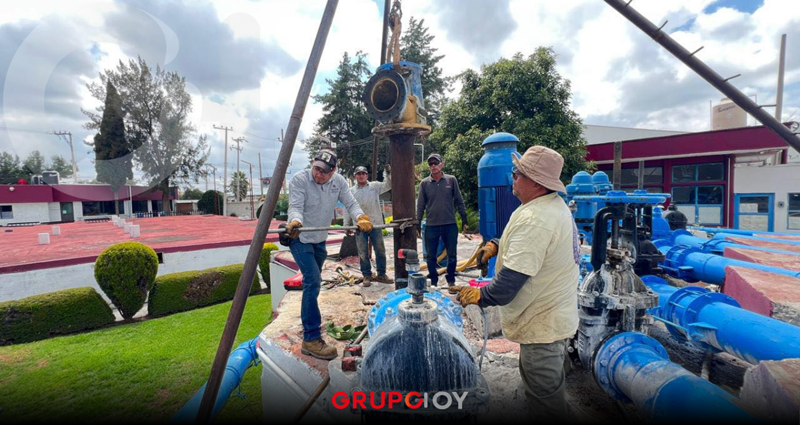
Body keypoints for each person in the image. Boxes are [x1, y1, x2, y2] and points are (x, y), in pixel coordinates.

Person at [451, 146, 580, 421]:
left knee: (546, 405)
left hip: (542, 326)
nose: (512, 177)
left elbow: (506, 287)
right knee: (544, 392)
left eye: (517, 173)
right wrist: (496, 245)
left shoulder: (537, 219)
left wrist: (478, 295)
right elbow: (530, 246)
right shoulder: (547, 206)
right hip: (550, 318)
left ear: (536, 182)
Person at [286, 149, 374, 360]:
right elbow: (295, 207)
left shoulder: (339, 182)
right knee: (313, 281)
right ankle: (311, 338)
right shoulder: (300, 180)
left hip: (319, 240)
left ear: (333, 171)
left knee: (313, 285)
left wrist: (361, 216)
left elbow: (351, 203)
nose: (319, 174)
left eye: (324, 171)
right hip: (300, 238)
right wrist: (295, 222)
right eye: (316, 169)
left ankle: (310, 322)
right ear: (313, 164)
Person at [416, 153, 468, 287]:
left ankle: (451, 279)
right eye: (431, 164)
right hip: (432, 225)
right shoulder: (425, 184)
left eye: (436, 163)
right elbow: (421, 205)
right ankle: (433, 281)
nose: (433, 166)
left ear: (441, 164)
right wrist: (417, 223)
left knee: (452, 255)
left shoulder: (451, 180)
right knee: (430, 256)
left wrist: (464, 219)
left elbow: (459, 201)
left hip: (449, 224)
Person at [344, 165, 392, 284]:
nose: (361, 176)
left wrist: (388, 173)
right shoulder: (351, 191)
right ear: (355, 176)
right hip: (359, 226)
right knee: (362, 252)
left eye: (363, 173)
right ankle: (367, 275)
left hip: (375, 224)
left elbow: (389, 185)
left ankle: (381, 274)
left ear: (367, 175)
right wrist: (346, 225)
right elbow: (347, 208)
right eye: (359, 174)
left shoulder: (374, 186)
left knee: (380, 250)